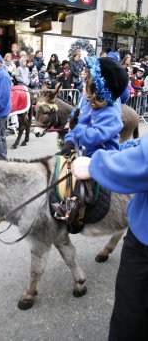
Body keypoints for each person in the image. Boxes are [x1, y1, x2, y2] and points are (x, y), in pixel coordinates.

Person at [71, 137, 148, 341]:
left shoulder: (108, 109)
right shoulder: (86, 106)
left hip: (144, 238)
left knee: (129, 312)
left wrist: (95, 164)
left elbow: (105, 130)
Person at [54, 56, 129, 218]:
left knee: (81, 171)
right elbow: (76, 128)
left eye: (88, 79)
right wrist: (68, 141)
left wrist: (77, 128)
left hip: (102, 154)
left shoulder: (111, 114)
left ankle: (75, 208)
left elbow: (94, 137)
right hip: (84, 149)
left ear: (98, 88)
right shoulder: (88, 104)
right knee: (60, 163)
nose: (84, 80)